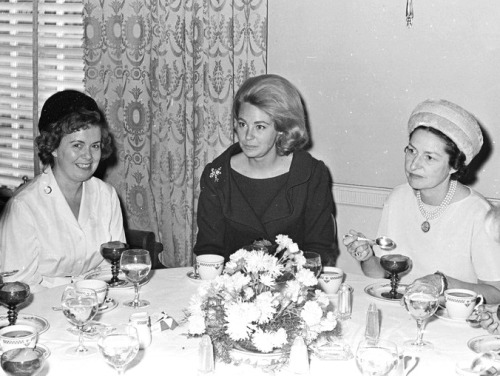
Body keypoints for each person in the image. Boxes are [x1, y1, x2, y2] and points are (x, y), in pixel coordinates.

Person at [344, 99, 500, 303]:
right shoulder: (398, 197)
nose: (414, 165)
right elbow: (380, 274)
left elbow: (496, 293)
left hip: (454, 322)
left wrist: (442, 283)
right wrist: (366, 257)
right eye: (411, 151)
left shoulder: (478, 212)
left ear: (454, 165)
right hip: (403, 313)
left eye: (429, 157)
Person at [193, 74, 338, 265]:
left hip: (295, 289)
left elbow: (319, 252)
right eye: (242, 124)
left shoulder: (310, 174)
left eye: (260, 127)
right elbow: (208, 251)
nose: (247, 136)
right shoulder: (217, 176)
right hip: (230, 288)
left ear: (282, 129)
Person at [0, 90, 126, 291]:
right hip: (44, 311)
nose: (88, 156)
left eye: (95, 146)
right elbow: (18, 286)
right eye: (77, 145)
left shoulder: (106, 195)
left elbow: (113, 267)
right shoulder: (24, 206)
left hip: (98, 302)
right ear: (53, 147)